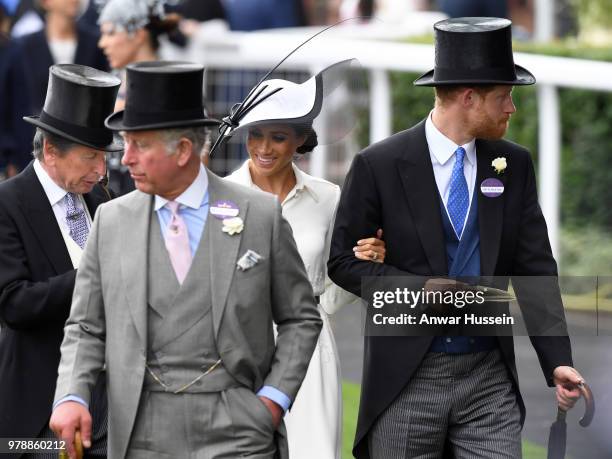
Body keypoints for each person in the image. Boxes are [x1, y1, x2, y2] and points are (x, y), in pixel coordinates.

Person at [328, 17, 584, 459]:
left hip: (489, 377)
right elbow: (344, 264)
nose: (511, 109)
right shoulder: (379, 164)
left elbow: (534, 267)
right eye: (504, 97)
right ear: (469, 97)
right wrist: (419, 290)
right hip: (406, 379)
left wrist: (557, 358)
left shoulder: (513, 164)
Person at [49, 61, 322, 459]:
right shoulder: (111, 219)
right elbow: (87, 326)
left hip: (239, 429)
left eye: (139, 144)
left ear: (182, 150)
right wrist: (71, 395)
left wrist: (272, 400)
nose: (125, 160)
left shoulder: (259, 214)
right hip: (140, 428)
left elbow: (301, 318)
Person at [224, 64, 386, 459]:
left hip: (310, 349)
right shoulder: (218, 196)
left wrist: (369, 262)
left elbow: (336, 284)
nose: (263, 148)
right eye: (255, 135)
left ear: (300, 140)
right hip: (233, 349)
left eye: (278, 137)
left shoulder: (329, 198)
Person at [0, 64, 122, 458]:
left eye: (103, 157)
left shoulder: (101, 198)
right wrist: (93, 274)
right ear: (51, 150)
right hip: (39, 417)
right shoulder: (8, 203)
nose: (100, 170)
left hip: (109, 405)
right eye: (90, 157)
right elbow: (14, 303)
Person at [1, 0, 108, 176]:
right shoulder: (23, 46)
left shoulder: (95, 42)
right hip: (32, 148)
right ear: (45, 2)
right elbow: (11, 102)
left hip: (84, 146)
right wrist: (10, 156)